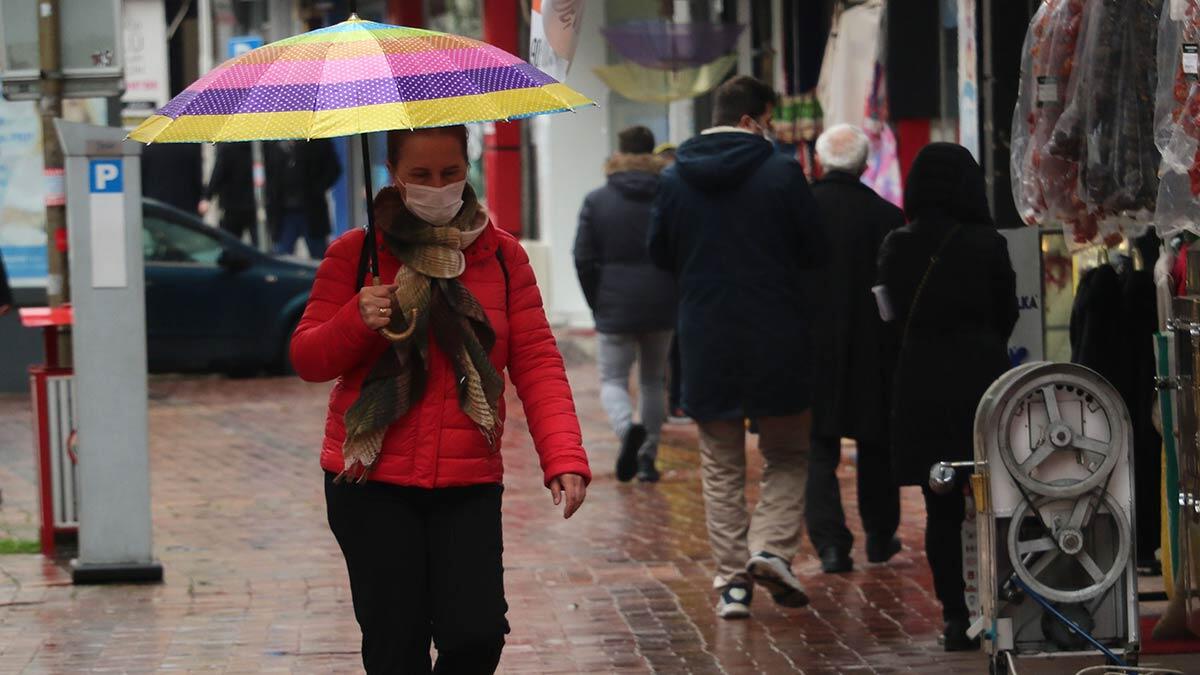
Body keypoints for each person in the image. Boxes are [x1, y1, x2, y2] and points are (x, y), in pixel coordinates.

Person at [290, 125, 591, 674]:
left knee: (476, 634)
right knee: (395, 643)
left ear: (467, 169)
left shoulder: (502, 258)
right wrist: (356, 319)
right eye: (420, 176)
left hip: (467, 478)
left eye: (450, 173)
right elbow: (309, 358)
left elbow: (538, 361)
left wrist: (564, 457)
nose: (438, 186)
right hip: (369, 481)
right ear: (394, 177)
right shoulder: (355, 254)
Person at [649, 75, 827, 619]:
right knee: (789, 453)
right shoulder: (781, 172)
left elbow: (659, 253)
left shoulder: (675, 178)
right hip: (778, 333)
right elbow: (813, 249)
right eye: (770, 121)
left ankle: (732, 585)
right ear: (753, 120)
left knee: (721, 464)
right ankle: (771, 548)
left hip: (707, 335)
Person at [877, 142, 1017, 651]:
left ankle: (954, 618)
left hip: (921, 383)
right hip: (982, 378)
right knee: (995, 496)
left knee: (939, 506)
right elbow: (1006, 313)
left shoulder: (897, 243)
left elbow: (887, 317)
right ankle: (1000, 606)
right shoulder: (988, 243)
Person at [805, 124, 904, 574]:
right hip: (874, 345)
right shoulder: (886, 215)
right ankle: (880, 536)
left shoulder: (802, 208)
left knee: (817, 448)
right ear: (866, 166)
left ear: (820, 162)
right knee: (877, 444)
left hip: (813, 344)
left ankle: (830, 544)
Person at [574, 125, 676, 483]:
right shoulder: (669, 196)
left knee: (613, 379)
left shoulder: (598, 200)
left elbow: (583, 258)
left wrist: (597, 300)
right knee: (652, 381)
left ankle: (626, 426)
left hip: (614, 302)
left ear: (618, 152)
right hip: (663, 301)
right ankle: (648, 459)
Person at [266, 138, 341, 258]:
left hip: (312, 210)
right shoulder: (274, 145)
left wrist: (318, 188)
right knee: (282, 255)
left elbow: (334, 169)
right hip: (285, 212)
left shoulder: (318, 142)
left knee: (318, 255)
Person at [199, 143, 258, 246]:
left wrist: (207, 197)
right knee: (258, 244)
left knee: (230, 244)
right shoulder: (259, 149)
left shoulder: (228, 149)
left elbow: (218, 175)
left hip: (232, 204)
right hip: (254, 204)